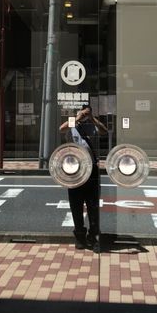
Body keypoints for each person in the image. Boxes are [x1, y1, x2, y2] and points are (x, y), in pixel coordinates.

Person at [59, 104, 107, 251]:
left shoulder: (93, 125)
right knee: (76, 204)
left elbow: (104, 131)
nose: (85, 116)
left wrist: (92, 119)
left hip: (91, 169)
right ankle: (79, 236)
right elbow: (62, 129)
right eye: (83, 113)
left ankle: (93, 235)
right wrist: (78, 117)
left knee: (93, 204)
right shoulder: (72, 123)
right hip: (75, 170)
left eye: (87, 113)